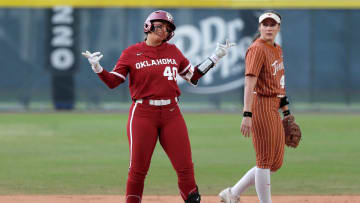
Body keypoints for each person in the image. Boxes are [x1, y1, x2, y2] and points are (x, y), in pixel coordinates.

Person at [82, 10, 235, 203]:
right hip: (143, 114)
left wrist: (215, 57)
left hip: (172, 113)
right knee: (138, 169)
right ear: (148, 25)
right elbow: (114, 82)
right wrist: (98, 69)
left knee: (185, 167)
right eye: (160, 25)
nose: (164, 30)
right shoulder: (131, 52)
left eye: (168, 28)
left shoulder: (173, 51)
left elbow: (192, 76)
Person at [219, 10, 293, 203]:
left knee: (274, 164)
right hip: (260, 104)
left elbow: (280, 84)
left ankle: (232, 193)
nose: (268, 28)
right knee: (264, 161)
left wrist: (286, 113)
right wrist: (247, 113)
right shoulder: (257, 48)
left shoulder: (277, 49)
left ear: (278, 28)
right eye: (265, 24)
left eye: (272, 24)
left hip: (274, 106)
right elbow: (249, 83)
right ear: (260, 27)